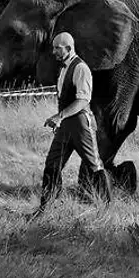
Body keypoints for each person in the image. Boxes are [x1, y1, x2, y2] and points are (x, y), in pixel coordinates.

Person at [33, 31, 111, 216]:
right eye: (53, 48)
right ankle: (46, 209)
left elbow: (83, 100)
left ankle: (106, 209)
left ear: (68, 48)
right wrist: (60, 119)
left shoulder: (81, 68)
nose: (54, 52)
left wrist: (59, 117)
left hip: (81, 124)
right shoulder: (63, 68)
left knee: (94, 164)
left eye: (57, 48)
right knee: (52, 163)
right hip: (66, 124)